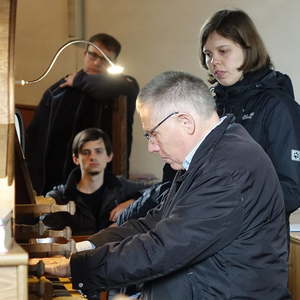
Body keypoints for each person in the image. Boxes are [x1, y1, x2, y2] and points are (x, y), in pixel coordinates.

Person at [30, 71, 290, 300]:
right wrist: (82, 248)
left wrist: (76, 267)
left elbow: (163, 247)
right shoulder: (208, 156)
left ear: (185, 122)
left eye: (152, 134)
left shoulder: (228, 168)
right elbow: (155, 222)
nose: (151, 147)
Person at [200, 9, 300, 224]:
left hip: (256, 244)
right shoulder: (209, 104)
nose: (214, 61)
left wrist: (225, 210)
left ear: (248, 49)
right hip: (207, 233)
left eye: (223, 51)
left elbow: (290, 190)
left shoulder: (277, 105)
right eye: (208, 54)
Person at [26, 33, 139, 195]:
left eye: (105, 59)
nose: (97, 62)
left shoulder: (122, 88)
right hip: (57, 178)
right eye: (93, 55)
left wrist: (79, 80)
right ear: (85, 54)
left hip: (101, 180)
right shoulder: (59, 90)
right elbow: (35, 135)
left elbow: (122, 87)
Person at [42, 128, 147, 235]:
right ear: (76, 159)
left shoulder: (121, 186)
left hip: (114, 250)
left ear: (109, 156)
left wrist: (132, 203)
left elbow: (156, 191)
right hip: (75, 251)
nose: (92, 157)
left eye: (98, 151)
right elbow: (48, 238)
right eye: (86, 152)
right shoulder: (57, 198)